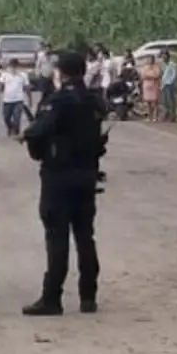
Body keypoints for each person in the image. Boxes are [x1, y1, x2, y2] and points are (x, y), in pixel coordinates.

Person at [20, 51, 104, 316]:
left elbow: (37, 131)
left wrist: (30, 139)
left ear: (61, 72)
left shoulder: (58, 100)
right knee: (85, 237)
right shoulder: (93, 100)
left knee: (57, 239)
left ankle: (51, 298)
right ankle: (88, 297)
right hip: (87, 174)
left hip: (59, 176)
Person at [0, 59, 29, 136]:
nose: (13, 68)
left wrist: (30, 99)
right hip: (7, 100)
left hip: (18, 100)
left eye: (14, 66)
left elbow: (27, 87)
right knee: (6, 117)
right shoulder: (4, 74)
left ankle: (16, 131)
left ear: (17, 66)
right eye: (11, 66)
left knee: (17, 118)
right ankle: (10, 128)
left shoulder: (23, 75)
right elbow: (0, 85)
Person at [140, 55, 161, 122]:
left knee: (155, 102)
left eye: (151, 59)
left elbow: (157, 75)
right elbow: (143, 75)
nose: (150, 61)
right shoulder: (145, 67)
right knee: (148, 102)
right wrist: (151, 75)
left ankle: (155, 116)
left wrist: (149, 75)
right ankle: (150, 117)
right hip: (147, 86)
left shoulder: (156, 67)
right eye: (149, 59)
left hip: (154, 85)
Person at [159, 50, 177, 122]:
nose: (163, 57)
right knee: (165, 101)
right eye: (162, 55)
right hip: (164, 84)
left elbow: (174, 74)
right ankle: (166, 114)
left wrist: (170, 82)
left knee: (171, 101)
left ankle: (173, 116)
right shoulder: (163, 65)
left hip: (170, 85)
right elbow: (163, 75)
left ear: (168, 56)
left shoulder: (172, 64)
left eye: (165, 55)